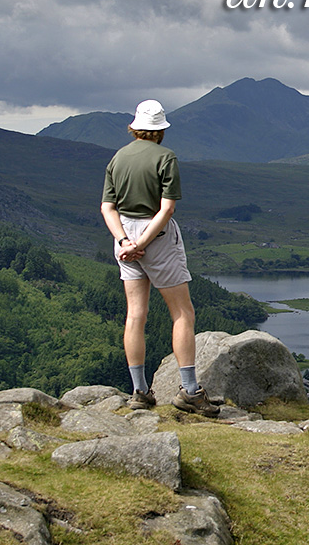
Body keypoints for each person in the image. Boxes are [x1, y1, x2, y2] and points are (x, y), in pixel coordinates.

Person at [100, 100, 219, 417]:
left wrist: (126, 241)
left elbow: (107, 208)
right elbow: (167, 209)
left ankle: (139, 391)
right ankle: (190, 392)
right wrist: (143, 241)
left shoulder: (118, 158)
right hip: (157, 237)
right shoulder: (166, 158)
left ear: (134, 127)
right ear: (160, 130)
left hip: (123, 235)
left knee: (135, 314)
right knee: (182, 312)